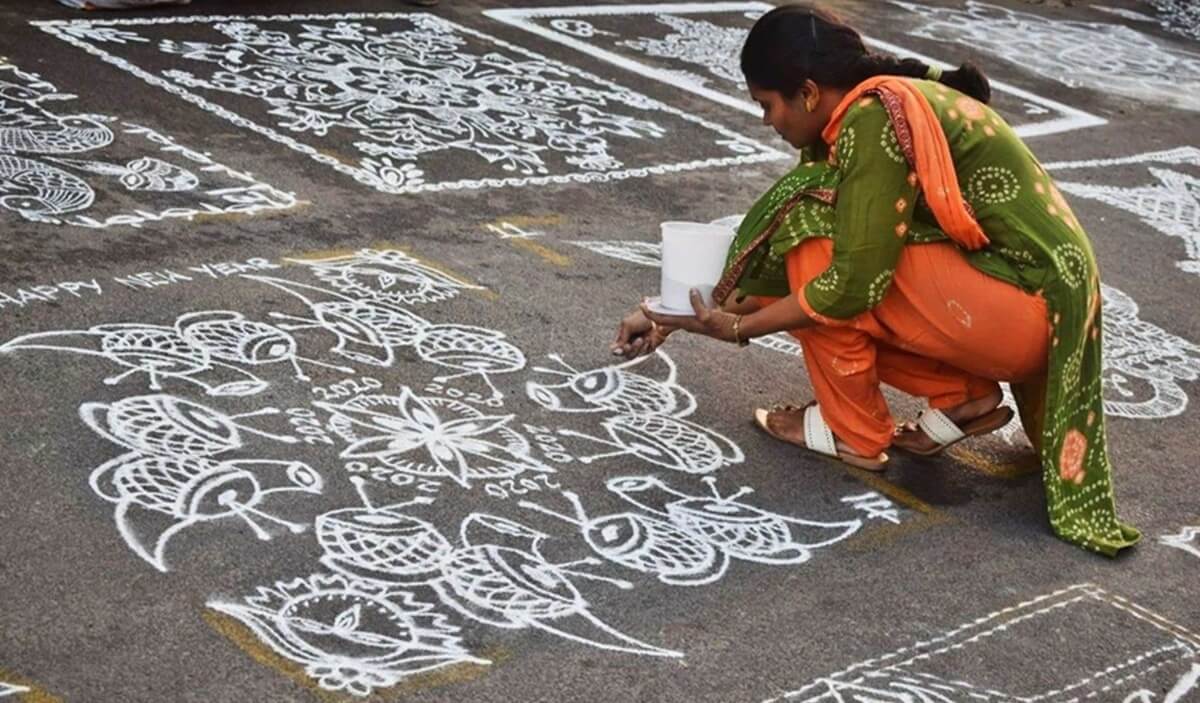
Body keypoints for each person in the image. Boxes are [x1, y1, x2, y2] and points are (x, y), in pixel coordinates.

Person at [613, 4, 1139, 556]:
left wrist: (739, 329)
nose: (767, 121)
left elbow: (849, 286)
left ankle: (852, 432)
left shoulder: (873, 118)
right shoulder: (856, 116)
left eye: (766, 105)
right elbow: (772, 259)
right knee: (818, 244)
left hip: (1030, 313)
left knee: (819, 246)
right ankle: (964, 398)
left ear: (809, 93)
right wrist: (664, 312)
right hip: (1022, 310)